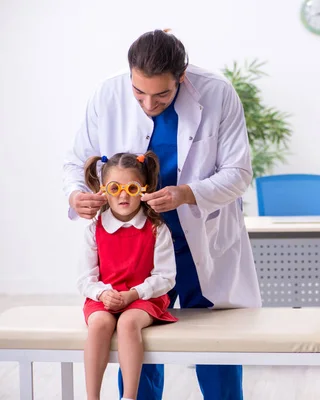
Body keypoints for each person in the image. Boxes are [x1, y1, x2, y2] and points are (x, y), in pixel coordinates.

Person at [63, 29, 261, 400]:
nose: (148, 104)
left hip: (199, 238)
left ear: (181, 78)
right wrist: (76, 195)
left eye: (161, 95)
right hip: (134, 241)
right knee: (136, 332)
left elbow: (238, 173)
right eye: (139, 92)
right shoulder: (108, 94)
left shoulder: (217, 93)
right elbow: (77, 162)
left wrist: (187, 193)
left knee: (213, 341)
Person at [77, 151, 178, 400]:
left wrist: (134, 293)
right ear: (104, 191)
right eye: (115, 187)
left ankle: (129, 397)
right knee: (99, 323)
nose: (123, 195)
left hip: (143, 298)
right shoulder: (94, 230)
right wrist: (103, 293)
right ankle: (93, 397)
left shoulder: (156, 228)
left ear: (142, 189)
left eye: (131, 188)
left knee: (128, 323)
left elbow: (166, 277)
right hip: (106, 297)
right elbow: (84, 278)